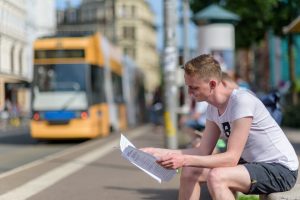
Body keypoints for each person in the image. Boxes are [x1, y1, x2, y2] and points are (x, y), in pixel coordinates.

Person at [142, 54, 298, 200]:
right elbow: (202, 151)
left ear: (212, 84)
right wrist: (157, 152)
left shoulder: (241, 101)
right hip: (252, 165)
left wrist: (183, 159)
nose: (189, 93)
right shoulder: (213, 108)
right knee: (190, 171)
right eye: (188, 87)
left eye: (194, 87)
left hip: (280, 169)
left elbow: (231, 158)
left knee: (217, 177)